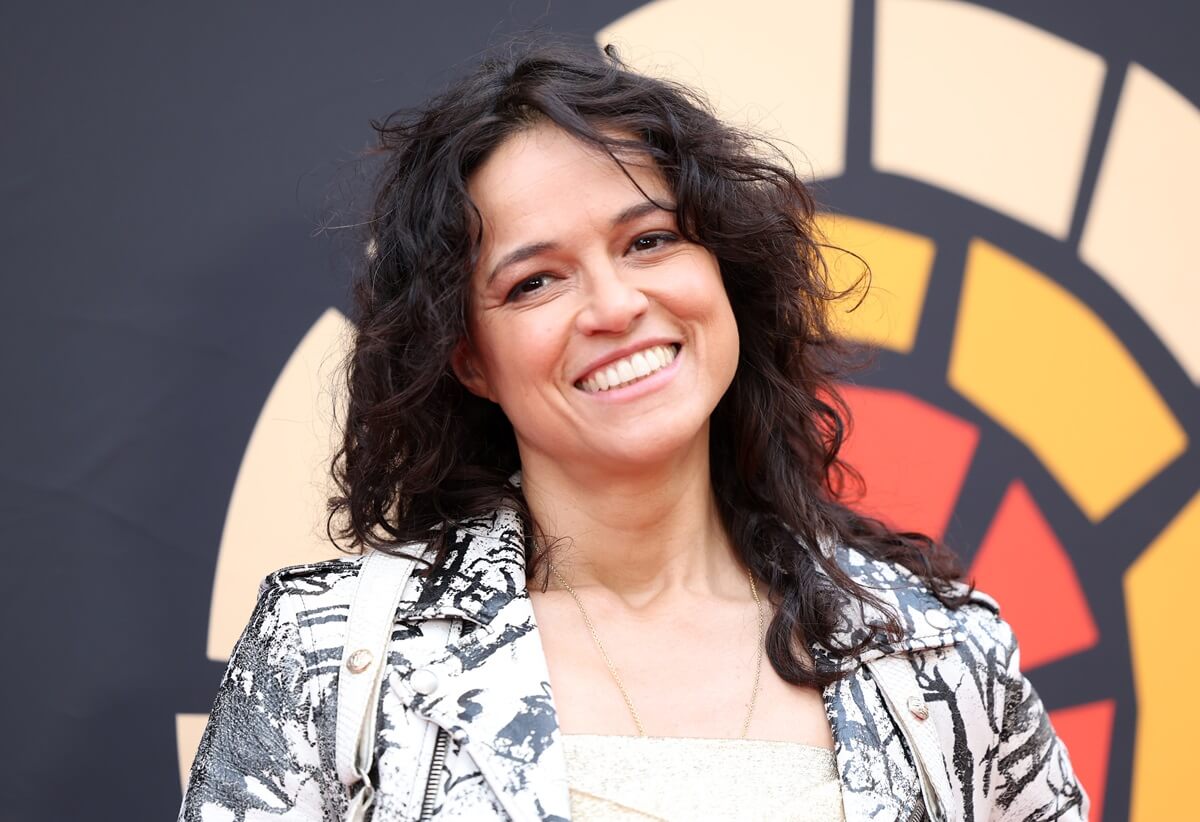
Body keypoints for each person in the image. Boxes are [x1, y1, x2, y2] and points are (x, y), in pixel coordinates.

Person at [179, 40, 1088, 822]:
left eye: (649, 240)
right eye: (535, 281)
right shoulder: (331, 659)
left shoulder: (938, 657)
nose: (615, 306)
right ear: (468, 358)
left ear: (724, 270)